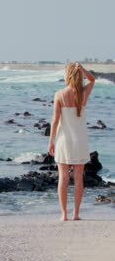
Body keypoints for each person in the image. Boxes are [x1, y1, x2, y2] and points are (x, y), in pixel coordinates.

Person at [48, 62, 95, 221]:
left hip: (64, 141)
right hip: (80, 141)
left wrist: (51, 141)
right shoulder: (83, 93)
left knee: (63, 178)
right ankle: (76, 214)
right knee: (78, 177)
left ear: (67, 75)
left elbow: (55, 121)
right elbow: (92, 79)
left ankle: (64, 214)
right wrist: (83, 69)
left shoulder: (59, 94)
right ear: (78, 75)